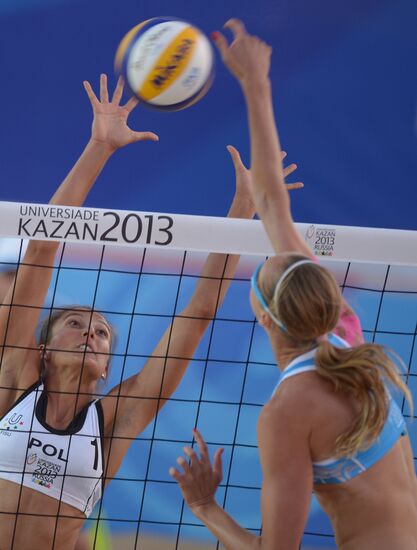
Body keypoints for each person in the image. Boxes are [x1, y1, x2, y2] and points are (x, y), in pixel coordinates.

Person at [0, 74, 302, 550]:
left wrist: (241, 214)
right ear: (43, 348)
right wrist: (99, 146)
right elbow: (41, 249)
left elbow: (199, 314)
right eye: (75, 325)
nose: (91, 335)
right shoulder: (16, 381)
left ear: (107, 366)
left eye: (101, 333)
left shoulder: (117, 417)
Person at [169, 20, 417, 550]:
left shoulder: (287, 411)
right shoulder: (348, 340)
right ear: (327, 304)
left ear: (263, 316)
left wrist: (204, 506)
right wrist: (256, 84)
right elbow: (273, 203)